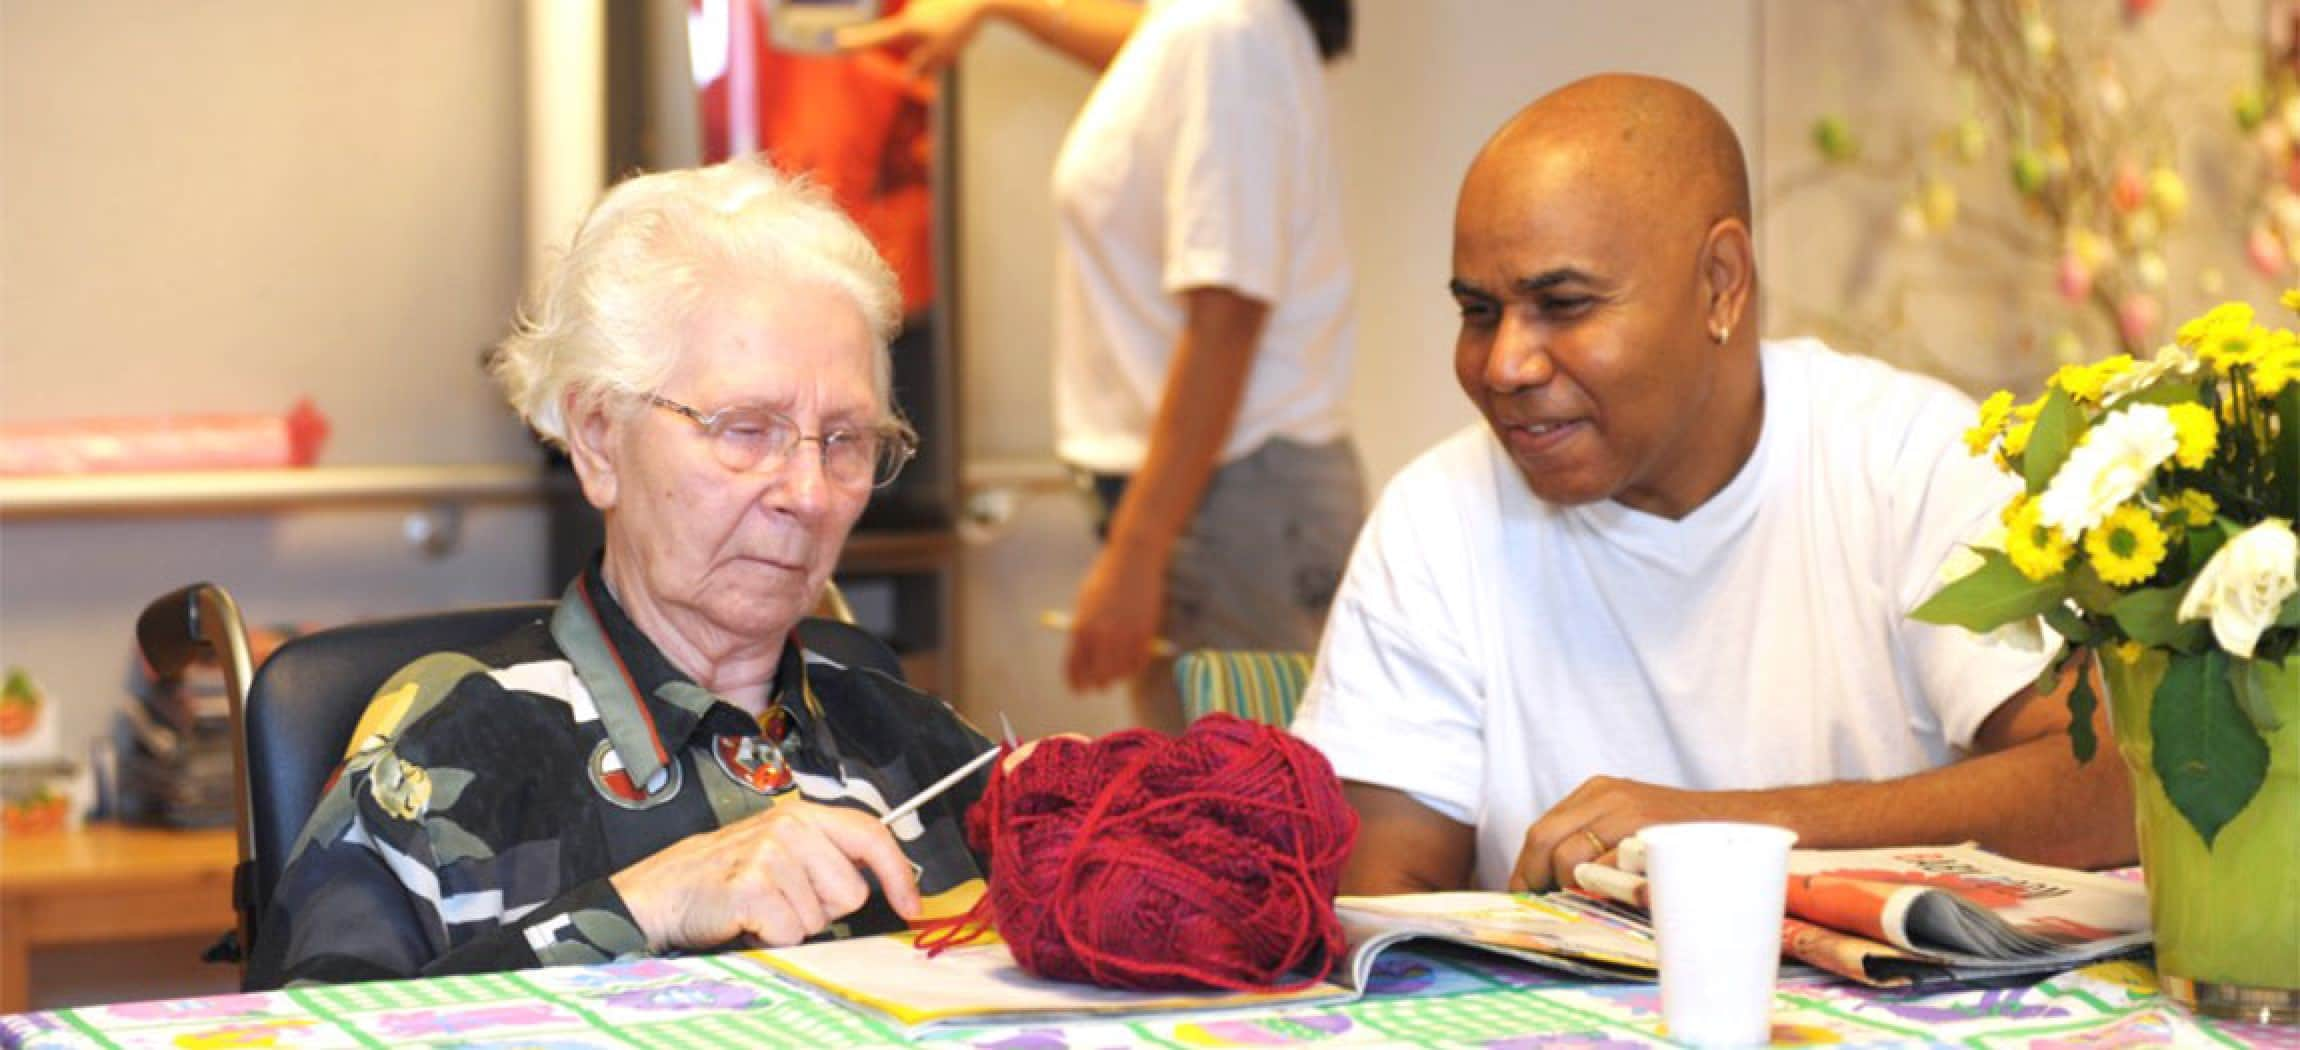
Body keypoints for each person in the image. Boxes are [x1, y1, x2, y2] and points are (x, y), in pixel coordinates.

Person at [1288, 74, 2138, 895]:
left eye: (1565, 304)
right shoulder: (1434, 520)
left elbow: (2107, 791)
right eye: (1478, 313)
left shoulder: (1913, 461)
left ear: (1720, 283)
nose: (1503, 364)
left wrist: (1716, 835)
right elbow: (1384, 899)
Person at [247, 157, 994, 986]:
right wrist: (646, 908)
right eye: (747, 429)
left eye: (847, 440)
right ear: (600, 440)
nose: (810, 494)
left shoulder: (917, 747)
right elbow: (305, 1025)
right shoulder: (457, 748)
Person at [841, 0, 1365, 733]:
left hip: (1233, 503)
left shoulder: (1224, 32)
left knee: (1244, 820)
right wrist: (1000, 7)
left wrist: (1136, 556)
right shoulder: (1198, 31)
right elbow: (1154, 60)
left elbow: (1228, 320)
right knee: (1202, 807)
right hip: (1215, 497)